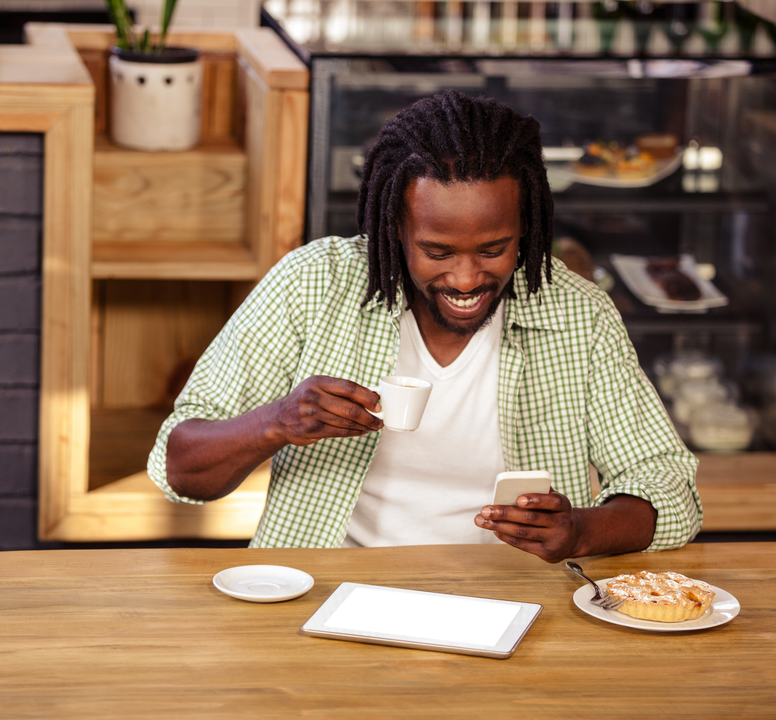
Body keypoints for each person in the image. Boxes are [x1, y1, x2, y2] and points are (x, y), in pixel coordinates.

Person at [147, 90, 701, 562]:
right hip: (327, 595)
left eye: (494, 249)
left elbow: (671, 489)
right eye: (436, 251)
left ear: (526, 228)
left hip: (519, 604)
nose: (465, 279)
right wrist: (276, 422)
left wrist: (581, 531)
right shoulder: (312, 285)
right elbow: (180, 466)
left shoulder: (577, 315)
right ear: (394, 231)